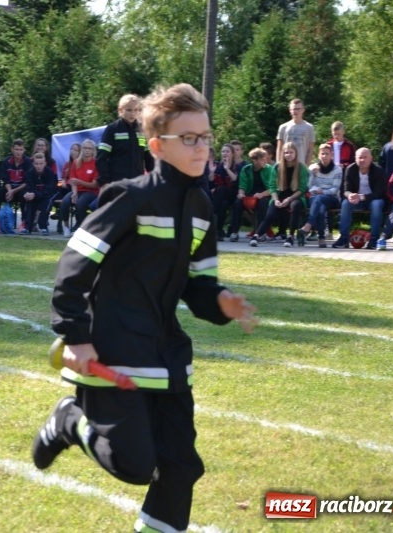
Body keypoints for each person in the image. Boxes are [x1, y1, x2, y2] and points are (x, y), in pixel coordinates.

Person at [32, 83, 257, 533]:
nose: (202, 148)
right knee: (134, 465)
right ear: (157, 146)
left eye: (206, 137)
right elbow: (75, 264)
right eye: (188, 138)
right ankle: (70, 420)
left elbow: (198, 284)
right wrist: (75, 335)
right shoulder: (130, 197)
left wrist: (220, 301)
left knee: (181, 467)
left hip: (167, 353)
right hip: (113, 349)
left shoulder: (202, 207)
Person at [249, 141, 308, 248]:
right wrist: (276, 200)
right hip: (280, 195)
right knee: (270, 213)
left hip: (295, 196)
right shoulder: (277, 167)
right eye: (286, 152)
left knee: (295, 206)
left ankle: (290, 236)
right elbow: (272, 186)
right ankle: (256, 235)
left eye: (291, 152)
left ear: (295, 153)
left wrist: (289, 199)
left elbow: (302, 189)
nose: (288, 155)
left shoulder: (302, 168)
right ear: (282, 154)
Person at [332, 148, 387, 249]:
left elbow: (380, 193)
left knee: (376, 205)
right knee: (345, 203)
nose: (362, 160)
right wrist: (350, 195)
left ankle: (374, 239)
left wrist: (362, 197)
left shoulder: (378, 170)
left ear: (371, 158)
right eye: (360, 157)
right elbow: (345, 190)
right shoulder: (350, 169)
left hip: (373, 199)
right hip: (356, 200)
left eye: (365, 157)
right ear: (355, 159)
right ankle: (344, 238)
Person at [96, 94, 154, 186]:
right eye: (129, 110)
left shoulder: (142, 130)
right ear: (120, 110)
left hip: (138, 180)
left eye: (136, 110)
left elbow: (148, 157)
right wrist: (104, 181)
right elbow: (101, 158)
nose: (132, 113)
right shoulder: (113, 129)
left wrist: (153, 179)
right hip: (117, 181)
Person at [297, 143, 342, 247]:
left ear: (331, 155)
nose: (324, 156)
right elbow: (309, 186)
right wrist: (313, 174)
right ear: (319, 155)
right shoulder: (313, 168)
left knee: (319, 199)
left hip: (332, 198)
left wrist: (323, 192)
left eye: (327, 154)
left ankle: (308, 225)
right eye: (322, 154)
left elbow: (335, 189)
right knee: (320, 207)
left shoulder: (337, 170)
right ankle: (321, 238)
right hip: (316, 197)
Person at [227, 148, 273, 242]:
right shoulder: (246, 169)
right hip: (250, 195)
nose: (265, 161)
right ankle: (234, 232)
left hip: (265, 195)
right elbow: (242, 185)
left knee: (262, 203)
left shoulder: (269, 169)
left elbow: (273, 188)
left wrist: (261, 194)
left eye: (266, 159)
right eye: (263, 159)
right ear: (255, 160)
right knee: (238, 203)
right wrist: (241, 194)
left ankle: (261, 233)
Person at [58, 139, 99, 237]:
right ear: (82, 149)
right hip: (78, 190)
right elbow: (73, 182)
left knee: (80, 203)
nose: (87, 150)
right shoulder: (76, 162)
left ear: (93, 150)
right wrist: (75, 193)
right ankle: (66, 227)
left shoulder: (96, 163)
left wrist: (80, 182)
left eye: (89, 148)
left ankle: (81, 227)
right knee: (65, 202)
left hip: (91, 191)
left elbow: (94, 185)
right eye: (85, 148)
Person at [21, 152, 58, 236]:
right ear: (33, 164)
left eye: (41, 164)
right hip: (35, 194)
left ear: (45, 163)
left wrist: (35, 194)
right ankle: (27, 227)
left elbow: (49, 189)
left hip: (47, 195)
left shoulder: (50, 173)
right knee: (29, 201)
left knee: (47, 203)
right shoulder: (30, 172)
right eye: (36, 164)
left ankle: (43, 227)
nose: (39, 166)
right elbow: (29, 187)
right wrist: (28, 194)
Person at [208, 143, 238, 241]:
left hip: (233, 195)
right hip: (220, 197)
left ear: (232, 154)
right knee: (223, 204)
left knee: (221, 189)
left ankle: (212, 216)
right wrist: (212, 171)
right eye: (223, 151)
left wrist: (227, 169)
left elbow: (235, 180)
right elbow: (211, 180)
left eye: (227, 151)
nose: (225, 153)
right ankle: (218, 231)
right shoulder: (217, 166)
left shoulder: (236, 166)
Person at [1, 139, 32, 228]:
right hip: (9, 188)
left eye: (21, 149)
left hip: (21, 188)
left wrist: (13, 191)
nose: (19, 152)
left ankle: (24, 222)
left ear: (24, 150)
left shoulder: (28, 162)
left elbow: (27, 182)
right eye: (16, 149)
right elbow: (5, 180)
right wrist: (10, 191)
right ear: (12, 149)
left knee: (25, 195)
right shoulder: (6, 161)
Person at [276, 98, 315, 166]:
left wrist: (307, 167)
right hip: (286, 165)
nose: (296, 111)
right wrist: (278, 164)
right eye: (294, 109)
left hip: (301, 164)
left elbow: (310, 150)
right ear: (290, 110)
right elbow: (279, 148)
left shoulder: (309, 127)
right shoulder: (283, 127)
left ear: (303, 110)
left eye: (298, 109)